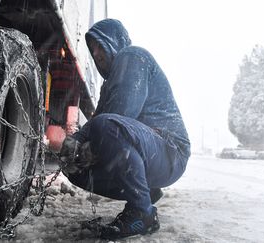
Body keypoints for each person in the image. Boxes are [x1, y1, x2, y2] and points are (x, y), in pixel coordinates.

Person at [59, 18, 190, 240]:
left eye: (101, 45)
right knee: (75, 167)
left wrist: (89, 140)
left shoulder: (133, 56)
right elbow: (98, 121)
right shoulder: (108, 84)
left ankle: (142, 213)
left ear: (115, 41)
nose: (96, 53)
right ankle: (144, 193)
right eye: (92, 49)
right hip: (150, 153)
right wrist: (77, 142)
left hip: (170, 151)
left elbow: (120, 114)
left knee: (105, 127)